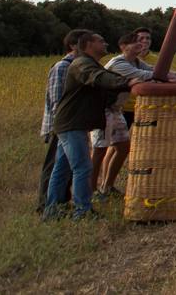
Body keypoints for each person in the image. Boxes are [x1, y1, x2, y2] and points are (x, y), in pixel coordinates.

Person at [47, 31, 141, 219]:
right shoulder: (83, 64)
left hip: (71, 122)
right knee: (83, 167)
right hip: (72, 123)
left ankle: (53, 209)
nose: (105, 44)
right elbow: (99, 77)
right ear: (89, 44)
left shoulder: (90, 64)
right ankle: (82, 211)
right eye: (101, 41)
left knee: (62, 167)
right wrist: (128, 82)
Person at [95, 28, 176, 199]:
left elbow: (155, 70)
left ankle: (107, 186)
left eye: (143, 40)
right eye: (135, 41)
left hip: (116, 110)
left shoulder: (137, 62)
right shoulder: (119, 63)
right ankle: (92, 191)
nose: (140, 43)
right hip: (103, 109)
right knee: (100, 150)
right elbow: (147, 75)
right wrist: (175, 79)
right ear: (123, 46)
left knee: (123, 148)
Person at [37, 30, 81, 214]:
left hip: (69, 123)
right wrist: (62, 124)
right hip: (61, 124)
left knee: (66, 165)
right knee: (54, 165)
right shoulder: (63, 67)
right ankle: (45, 205)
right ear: (73, 45)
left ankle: (61, 201)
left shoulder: (77, 65)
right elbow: (57, 100)